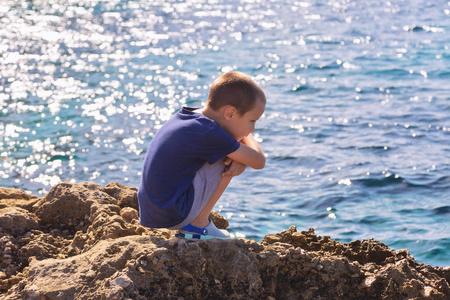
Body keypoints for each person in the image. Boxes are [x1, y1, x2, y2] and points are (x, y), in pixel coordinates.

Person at [138, 71, 266, 239]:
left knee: (233, 153)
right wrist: (244, 139)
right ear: (230, 113)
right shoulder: (209, 132)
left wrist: (239, 143)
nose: (252, 130)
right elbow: (258, 161)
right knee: (229, 159)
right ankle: (198, 224)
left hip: (153, 210)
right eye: (252, 121)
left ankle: (196, 222)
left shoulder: (190, 118)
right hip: (172, 214)